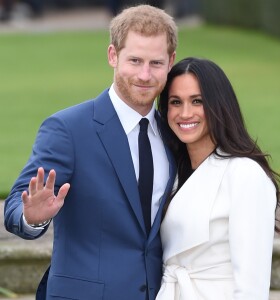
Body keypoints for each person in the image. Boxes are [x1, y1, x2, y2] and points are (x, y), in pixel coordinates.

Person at [4, 4, 177, 300]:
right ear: (113, 55)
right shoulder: (67, 129)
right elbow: (16, 209)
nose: (145, 75)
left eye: (156, 63)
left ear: (171, 61)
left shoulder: (173, 132)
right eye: (134, 60)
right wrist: (32, 218)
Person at [155, 57, 280, 299]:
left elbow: (252, 283)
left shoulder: (245, 173)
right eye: (175, 102)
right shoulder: (171, 173)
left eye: (197, 101)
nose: (185, 113)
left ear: (218, 105)